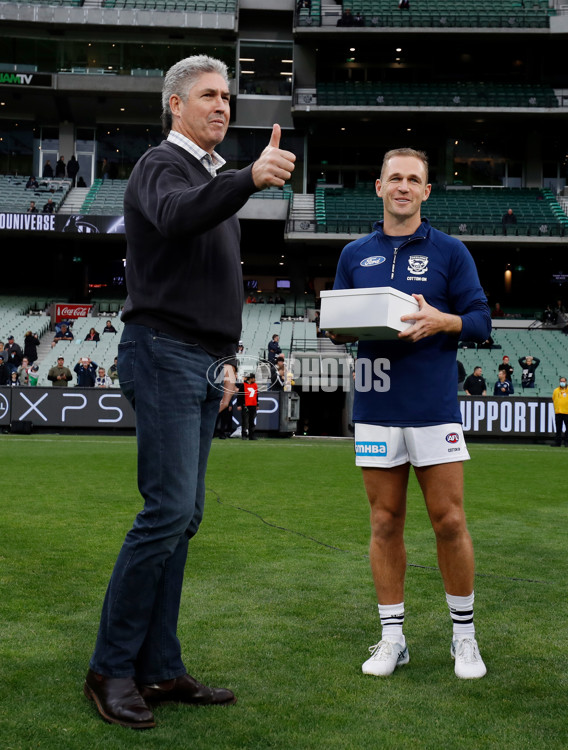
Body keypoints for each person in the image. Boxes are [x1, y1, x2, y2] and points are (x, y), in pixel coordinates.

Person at [84, 53, 295, 730]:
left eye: (227, 96)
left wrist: (230, 358)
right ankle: (110, 669)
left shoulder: (207, 176)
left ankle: (160, 668)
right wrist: (246, 179)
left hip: (205, 362)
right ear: (174, 104)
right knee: (166, 511)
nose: (222, 106)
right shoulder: (161, 166)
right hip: (162, 352)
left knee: (185, 517)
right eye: (208, 95)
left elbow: (210, 279)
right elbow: (176, 219)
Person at [329, 148, 490, 680]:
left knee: (449, 520)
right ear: (378, 186)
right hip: (376, 405)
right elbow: (341, 323)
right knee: (383, 521)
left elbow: (481, 319)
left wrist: (443, 321)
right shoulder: (354, 253)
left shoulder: (450, 251)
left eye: (413, 179)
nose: (402, 186)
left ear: (426, 191)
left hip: (432, 407)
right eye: (394, 177)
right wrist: (338, 327)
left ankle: (463, 639)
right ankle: (392, 639)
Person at [552, 376, 568, 447]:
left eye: (563, 381)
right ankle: (558, 442)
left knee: (567, 428)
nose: (562, 383)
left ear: (566, 382)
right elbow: (554, 399)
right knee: (558, 428)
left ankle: (567, 442)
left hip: (566, 412)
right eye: (561, 381)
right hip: (558, 412)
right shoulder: (556, 390)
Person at [241, 372, 259, 439]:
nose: (254, 379)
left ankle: (251, 435)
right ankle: (244, 434)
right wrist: (239, 404)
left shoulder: (255, 385)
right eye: (253, 378)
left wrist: (257, 403)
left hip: (253, 405)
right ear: (251, 378)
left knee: (251, 421)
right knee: (245, 421)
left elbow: (256, 395)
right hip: (245, 405)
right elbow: (240, 396)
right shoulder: (243, 385)